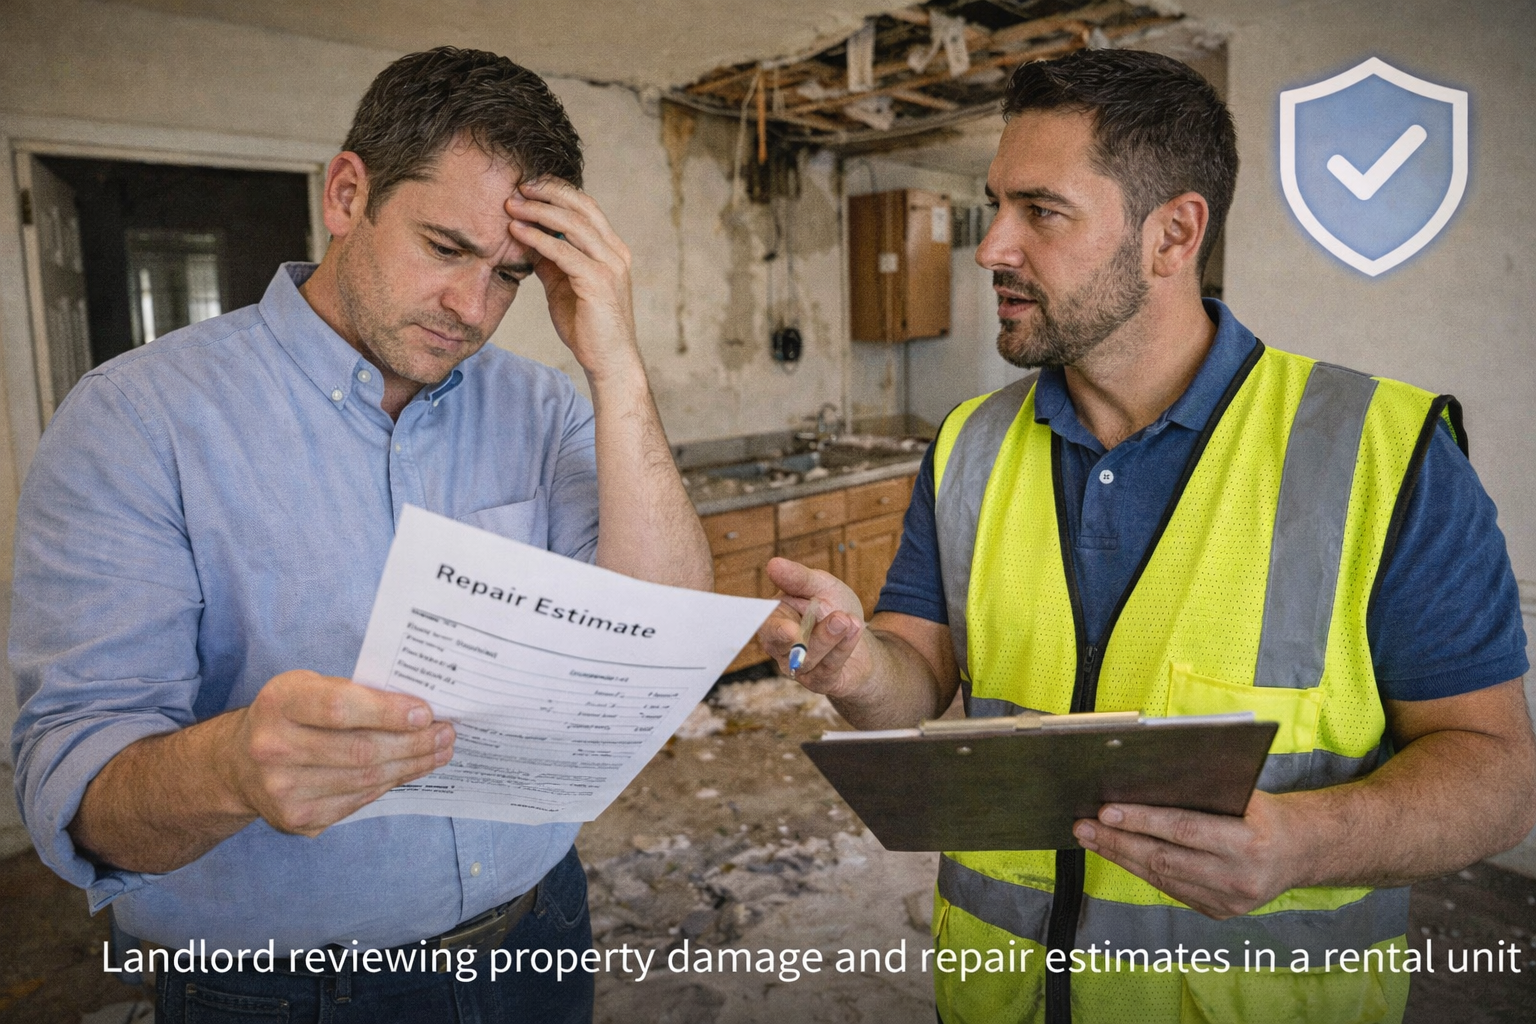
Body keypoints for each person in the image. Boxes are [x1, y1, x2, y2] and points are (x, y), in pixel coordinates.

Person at [760, 48, 1534, 1024]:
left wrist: (1302, 840)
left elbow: (1499, 775)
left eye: (1040, 211)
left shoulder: (1384, 454)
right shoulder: (968, 445)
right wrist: (853, 665)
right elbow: (918, 670)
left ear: (1173, 235)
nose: (991, 246)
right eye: (996, 203)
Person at [10, 46, 710, 1023]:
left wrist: (619, 366)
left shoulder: (548, 408)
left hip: (537, 936)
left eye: (511, 275)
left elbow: (667, 634)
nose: (474, 310)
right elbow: (71, 787)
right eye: (446, 248)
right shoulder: (135, 422)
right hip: (276, 992)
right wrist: (229, 768)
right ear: (348, 194)